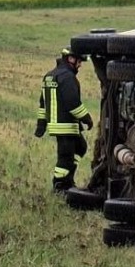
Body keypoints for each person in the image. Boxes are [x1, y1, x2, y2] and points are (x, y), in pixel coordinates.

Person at [34, 47, 94, 193]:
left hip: (58, 125)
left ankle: (68, 179)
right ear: (70, 59)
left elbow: (43, 103)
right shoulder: (67, 77)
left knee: (80, 147)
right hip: (65, 125)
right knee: (65, 158)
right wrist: (87, 118)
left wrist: (41, 124)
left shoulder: (49, 76)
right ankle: (59, 185)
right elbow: (72, 103)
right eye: (79, 61)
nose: (80, 65)